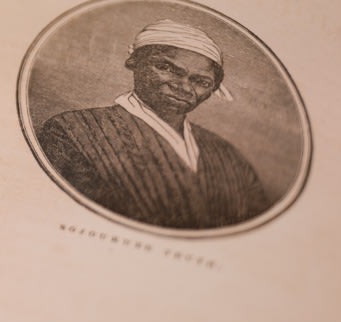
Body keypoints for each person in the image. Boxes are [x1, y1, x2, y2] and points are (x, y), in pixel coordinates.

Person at [37, 20, 275, 231]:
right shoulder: (72, 131)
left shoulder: (228, 157)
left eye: (201, 81)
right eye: (166, 68)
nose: (183, 86)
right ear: (135, 63)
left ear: (213, 89)